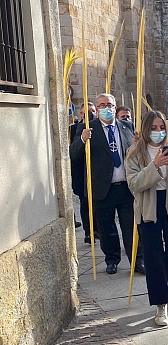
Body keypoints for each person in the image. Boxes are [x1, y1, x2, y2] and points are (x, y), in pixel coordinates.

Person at [70, 93, 144, 275]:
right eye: (102, 105)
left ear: (115, 106)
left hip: (126, 186)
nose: (106, 108)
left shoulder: (127, 126)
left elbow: (135, 154)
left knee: (131, 226)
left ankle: (137, 259)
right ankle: (112, 259)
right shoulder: (88, 129)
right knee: (107, 227)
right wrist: (82, 140)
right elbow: (73, 154)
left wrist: (138, 144)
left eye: (109, 105)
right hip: (103, 188)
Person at [125, 111, 168, 326]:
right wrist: (155, 165)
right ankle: (162, 305)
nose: (158, 132)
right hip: (148, 207)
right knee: (153, 256)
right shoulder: (135, 152)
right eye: (154, 127)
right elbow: (134, 184)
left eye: (162, 127)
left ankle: (165, 291)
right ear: (145, 128)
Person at [69, 101, 97, 243]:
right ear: (81, 114)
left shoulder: (98, 127)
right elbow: (72, 152)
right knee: (85, 203)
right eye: (88, 113)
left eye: (93, 112)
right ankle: (88, 231)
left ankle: (97, 229)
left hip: (97, 173)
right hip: (81, 173)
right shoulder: (74, 129)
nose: (91, 115)